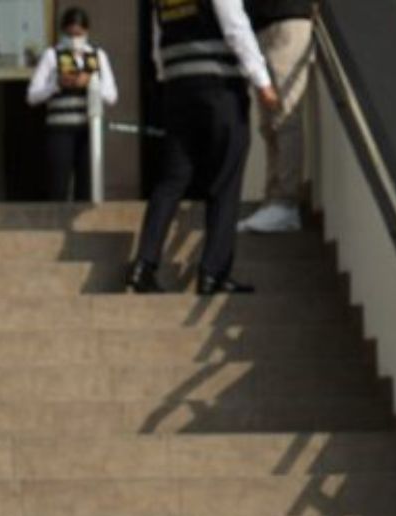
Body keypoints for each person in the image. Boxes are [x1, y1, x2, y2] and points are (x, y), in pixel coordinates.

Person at [125, 0, 282, 295]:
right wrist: (262, 82)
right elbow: (236, 27)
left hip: (177, 90)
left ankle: (143, 265)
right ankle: (213, 273)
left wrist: (165, 78)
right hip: (219, 88)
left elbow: (157, 40)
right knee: (225, 178)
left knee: (171, 180)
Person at [24, 8, 119, 202]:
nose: (74, 39)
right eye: (70, 34)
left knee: (86, 185)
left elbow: (112, 95)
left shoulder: (97, 55)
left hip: (88, 129)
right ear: (62, 32)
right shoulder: (52, 55)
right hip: (59, 129)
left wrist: (91, 82)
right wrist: (56, 85)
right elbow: (32, 96)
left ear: (86, 32)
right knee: (58, 183)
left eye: (79, 34)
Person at [237, 0, 315, 234]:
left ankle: (285, 203)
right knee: (269, 123)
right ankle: (273, 202)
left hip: (289, 19)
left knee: (284, 116)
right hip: (261, 23)